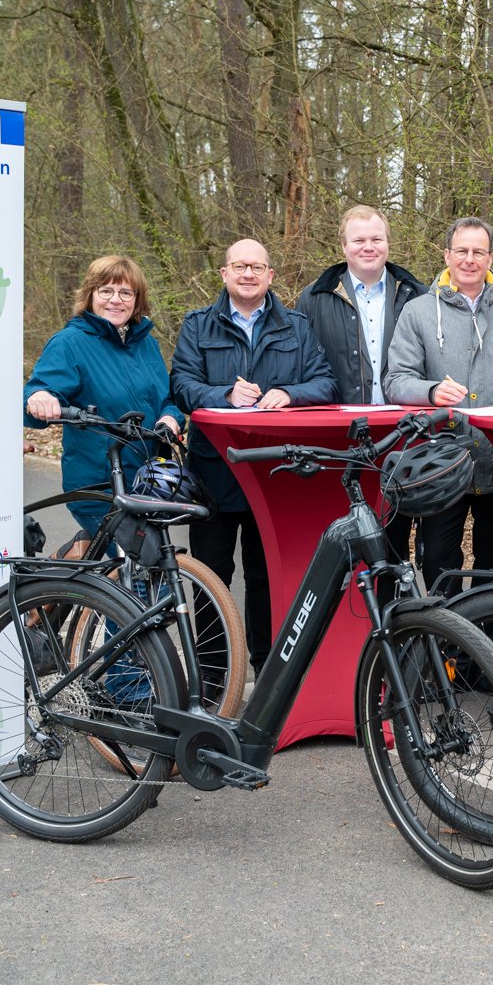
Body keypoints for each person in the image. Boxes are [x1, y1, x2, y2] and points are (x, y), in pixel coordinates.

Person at [171, 238, 336, 674]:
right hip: (215, 472)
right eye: (239, 266)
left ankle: (266, 673)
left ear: (270, 276)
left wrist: (290, 393)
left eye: (256, 267)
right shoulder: (197, 326)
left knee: (267, 579)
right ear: (224, 273)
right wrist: (223, 395)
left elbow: (326, 383)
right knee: (211, 578)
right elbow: (182, 385)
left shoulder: (296, 326)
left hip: (274, 472)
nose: (248, 274)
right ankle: (211, 677)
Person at [384, 217, 493, 594]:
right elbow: (395, 380)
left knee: (492, 568)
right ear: (447, 255)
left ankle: (481, 651)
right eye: (461, 250)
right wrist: (430, 392)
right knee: (439, 564)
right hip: (441, 465)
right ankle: (445, 646)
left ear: (491, 257)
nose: (469, 259)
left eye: (478, 251)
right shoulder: (419, 312)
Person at [297, 205, 428, 556]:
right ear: (343, 246)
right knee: (343, 535)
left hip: (401, 432)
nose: (368, 247)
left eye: (376, 239)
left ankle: (392, 610)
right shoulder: (314, 298)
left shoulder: (417, 294)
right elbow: (301, 365)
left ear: (388, 244)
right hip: (339, 437)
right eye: (358, 240)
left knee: (393, 536)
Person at [24, 255, 182, 535]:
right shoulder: (69, 343)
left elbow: (166, 399)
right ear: (90, 295)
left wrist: (171, 416)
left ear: (137, 299)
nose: (116, 300)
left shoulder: (147, 344)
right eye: (106, 291)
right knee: (137, 566)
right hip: (100, 483)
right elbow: (39, 394)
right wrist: (40, 397)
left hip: (149, 479)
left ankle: (74, 562)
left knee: (147, 562)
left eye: (125, 292)